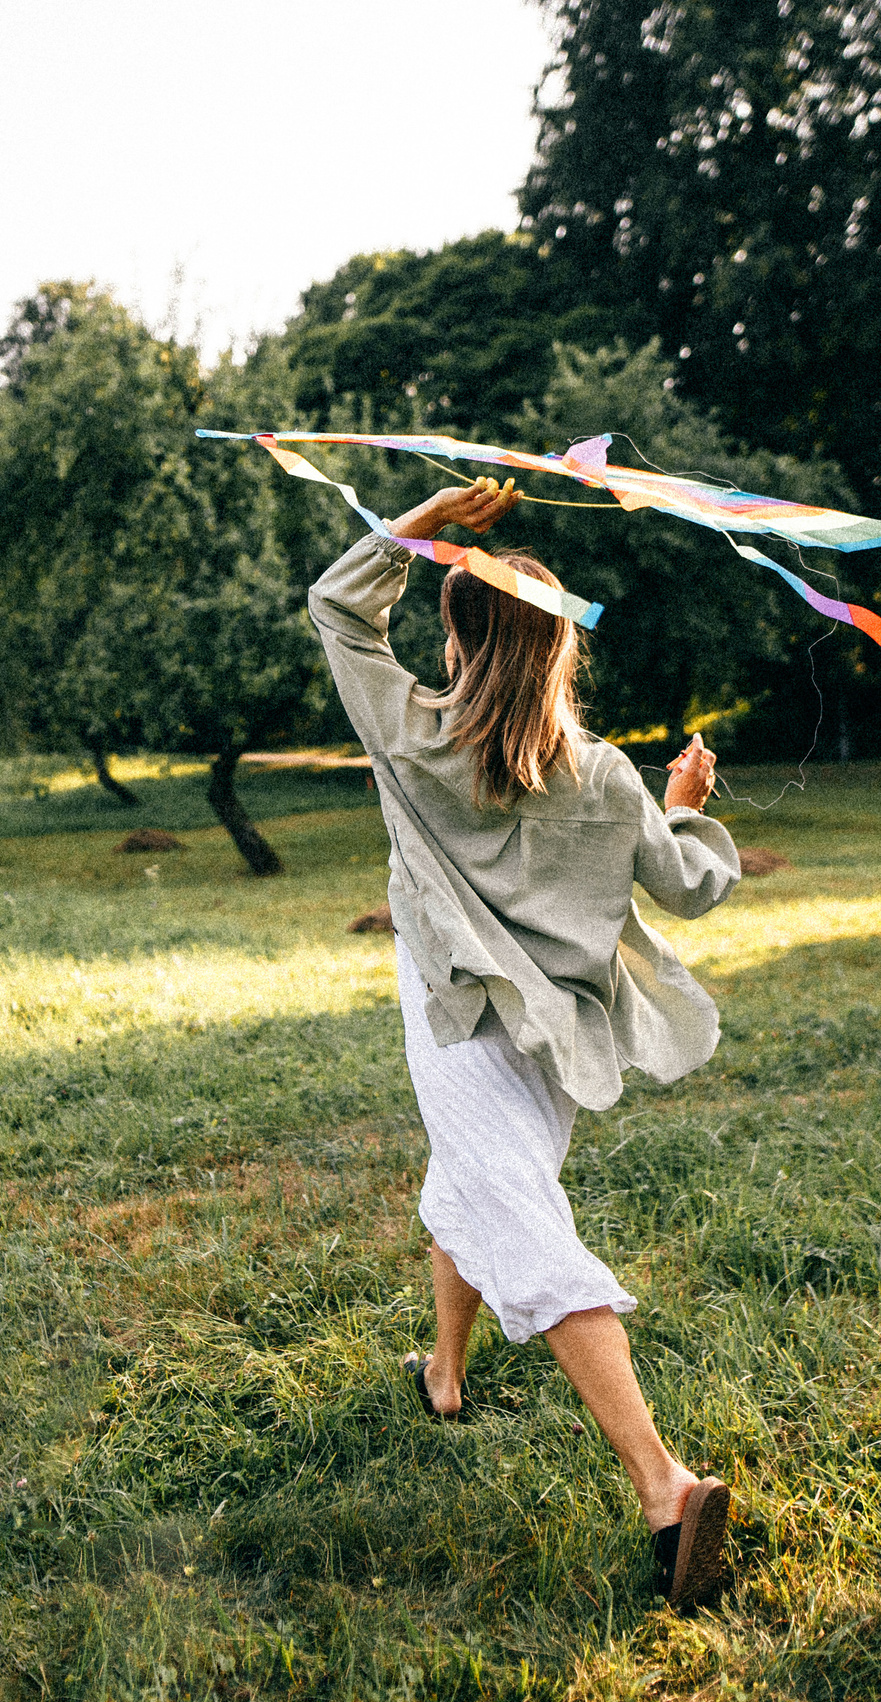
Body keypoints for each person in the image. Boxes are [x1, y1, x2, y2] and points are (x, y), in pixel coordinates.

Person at [307, 477, 744, 1610]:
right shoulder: (607, 776)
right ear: (560, 652)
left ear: (457, 642)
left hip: (460, 1026)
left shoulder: (413, 737)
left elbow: (337, 606)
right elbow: (690, 884)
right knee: (476, 1184)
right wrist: (684, 802)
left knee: (521, 1223)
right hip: (557, 1042)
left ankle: (664, 1488)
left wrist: (426, 520)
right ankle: (445, 1375)